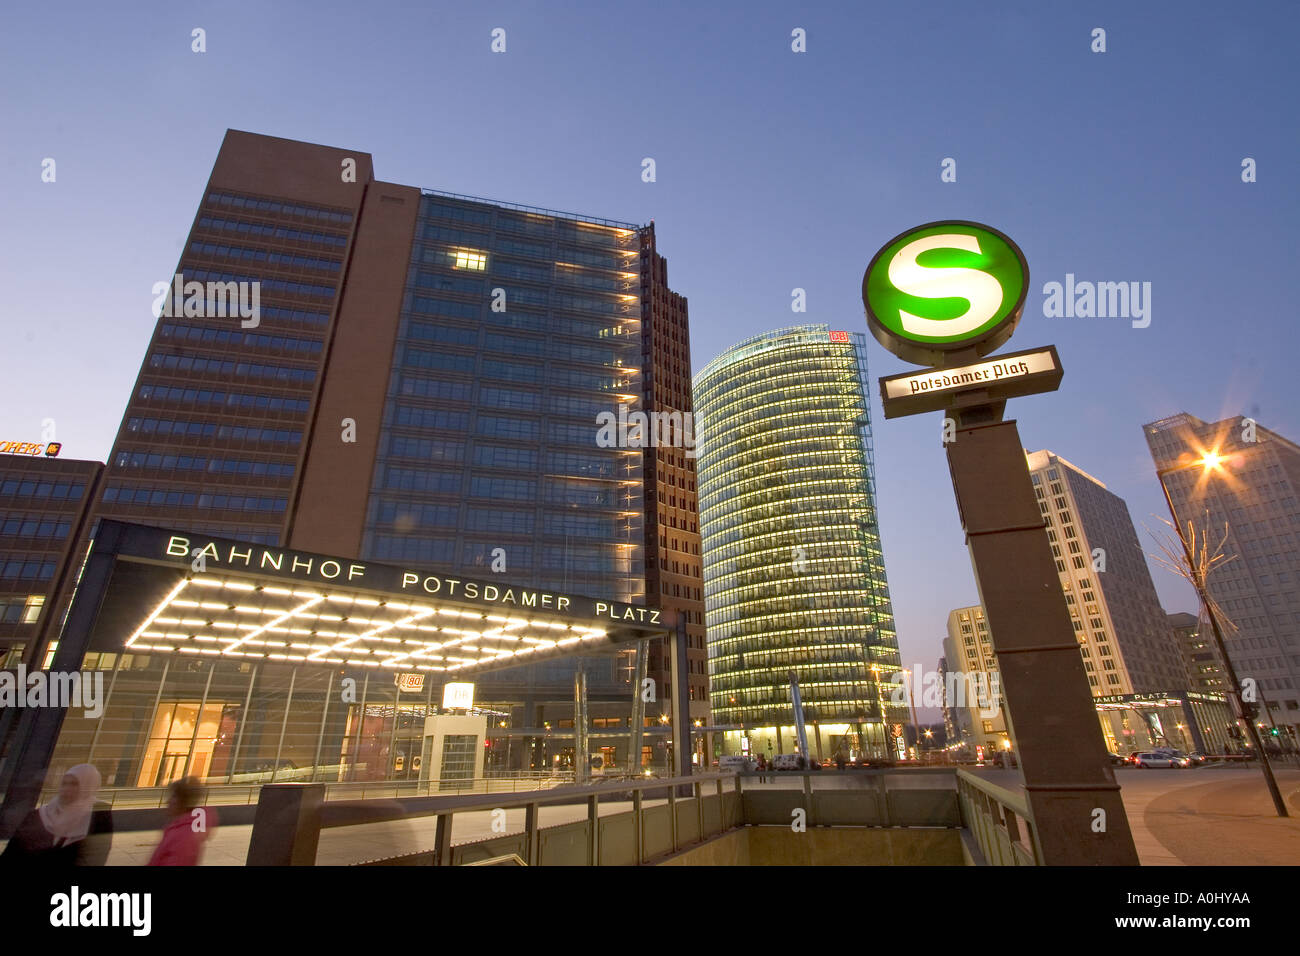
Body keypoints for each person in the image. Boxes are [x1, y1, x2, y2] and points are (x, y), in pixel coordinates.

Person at [0, 764, 113, 867]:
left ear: (89, 786)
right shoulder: (39, 815)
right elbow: (13, 852)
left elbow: (94, 857)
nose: (66, 789)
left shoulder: (98, 816)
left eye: (74, 784)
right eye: (64, 783)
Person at [148, 776, 217, 866]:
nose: (168, 801)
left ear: (183, 802)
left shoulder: (183, 837)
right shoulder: (178, 827)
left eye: (173, 796)